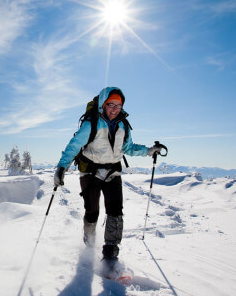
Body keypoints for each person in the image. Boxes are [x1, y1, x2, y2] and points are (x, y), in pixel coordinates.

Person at [54, 86, 163, 263]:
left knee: (115, 211)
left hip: (113, 171)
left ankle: (111, 252)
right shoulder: (92, 124)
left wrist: (149, 151)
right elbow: (73, 146)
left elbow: (128, 148)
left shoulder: (123, 125)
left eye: (118, 105)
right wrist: (61, 167)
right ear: (103, 104)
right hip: (90, 171)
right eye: (111, 104)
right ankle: (89, 244)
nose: (114, 109)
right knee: (92, 211)